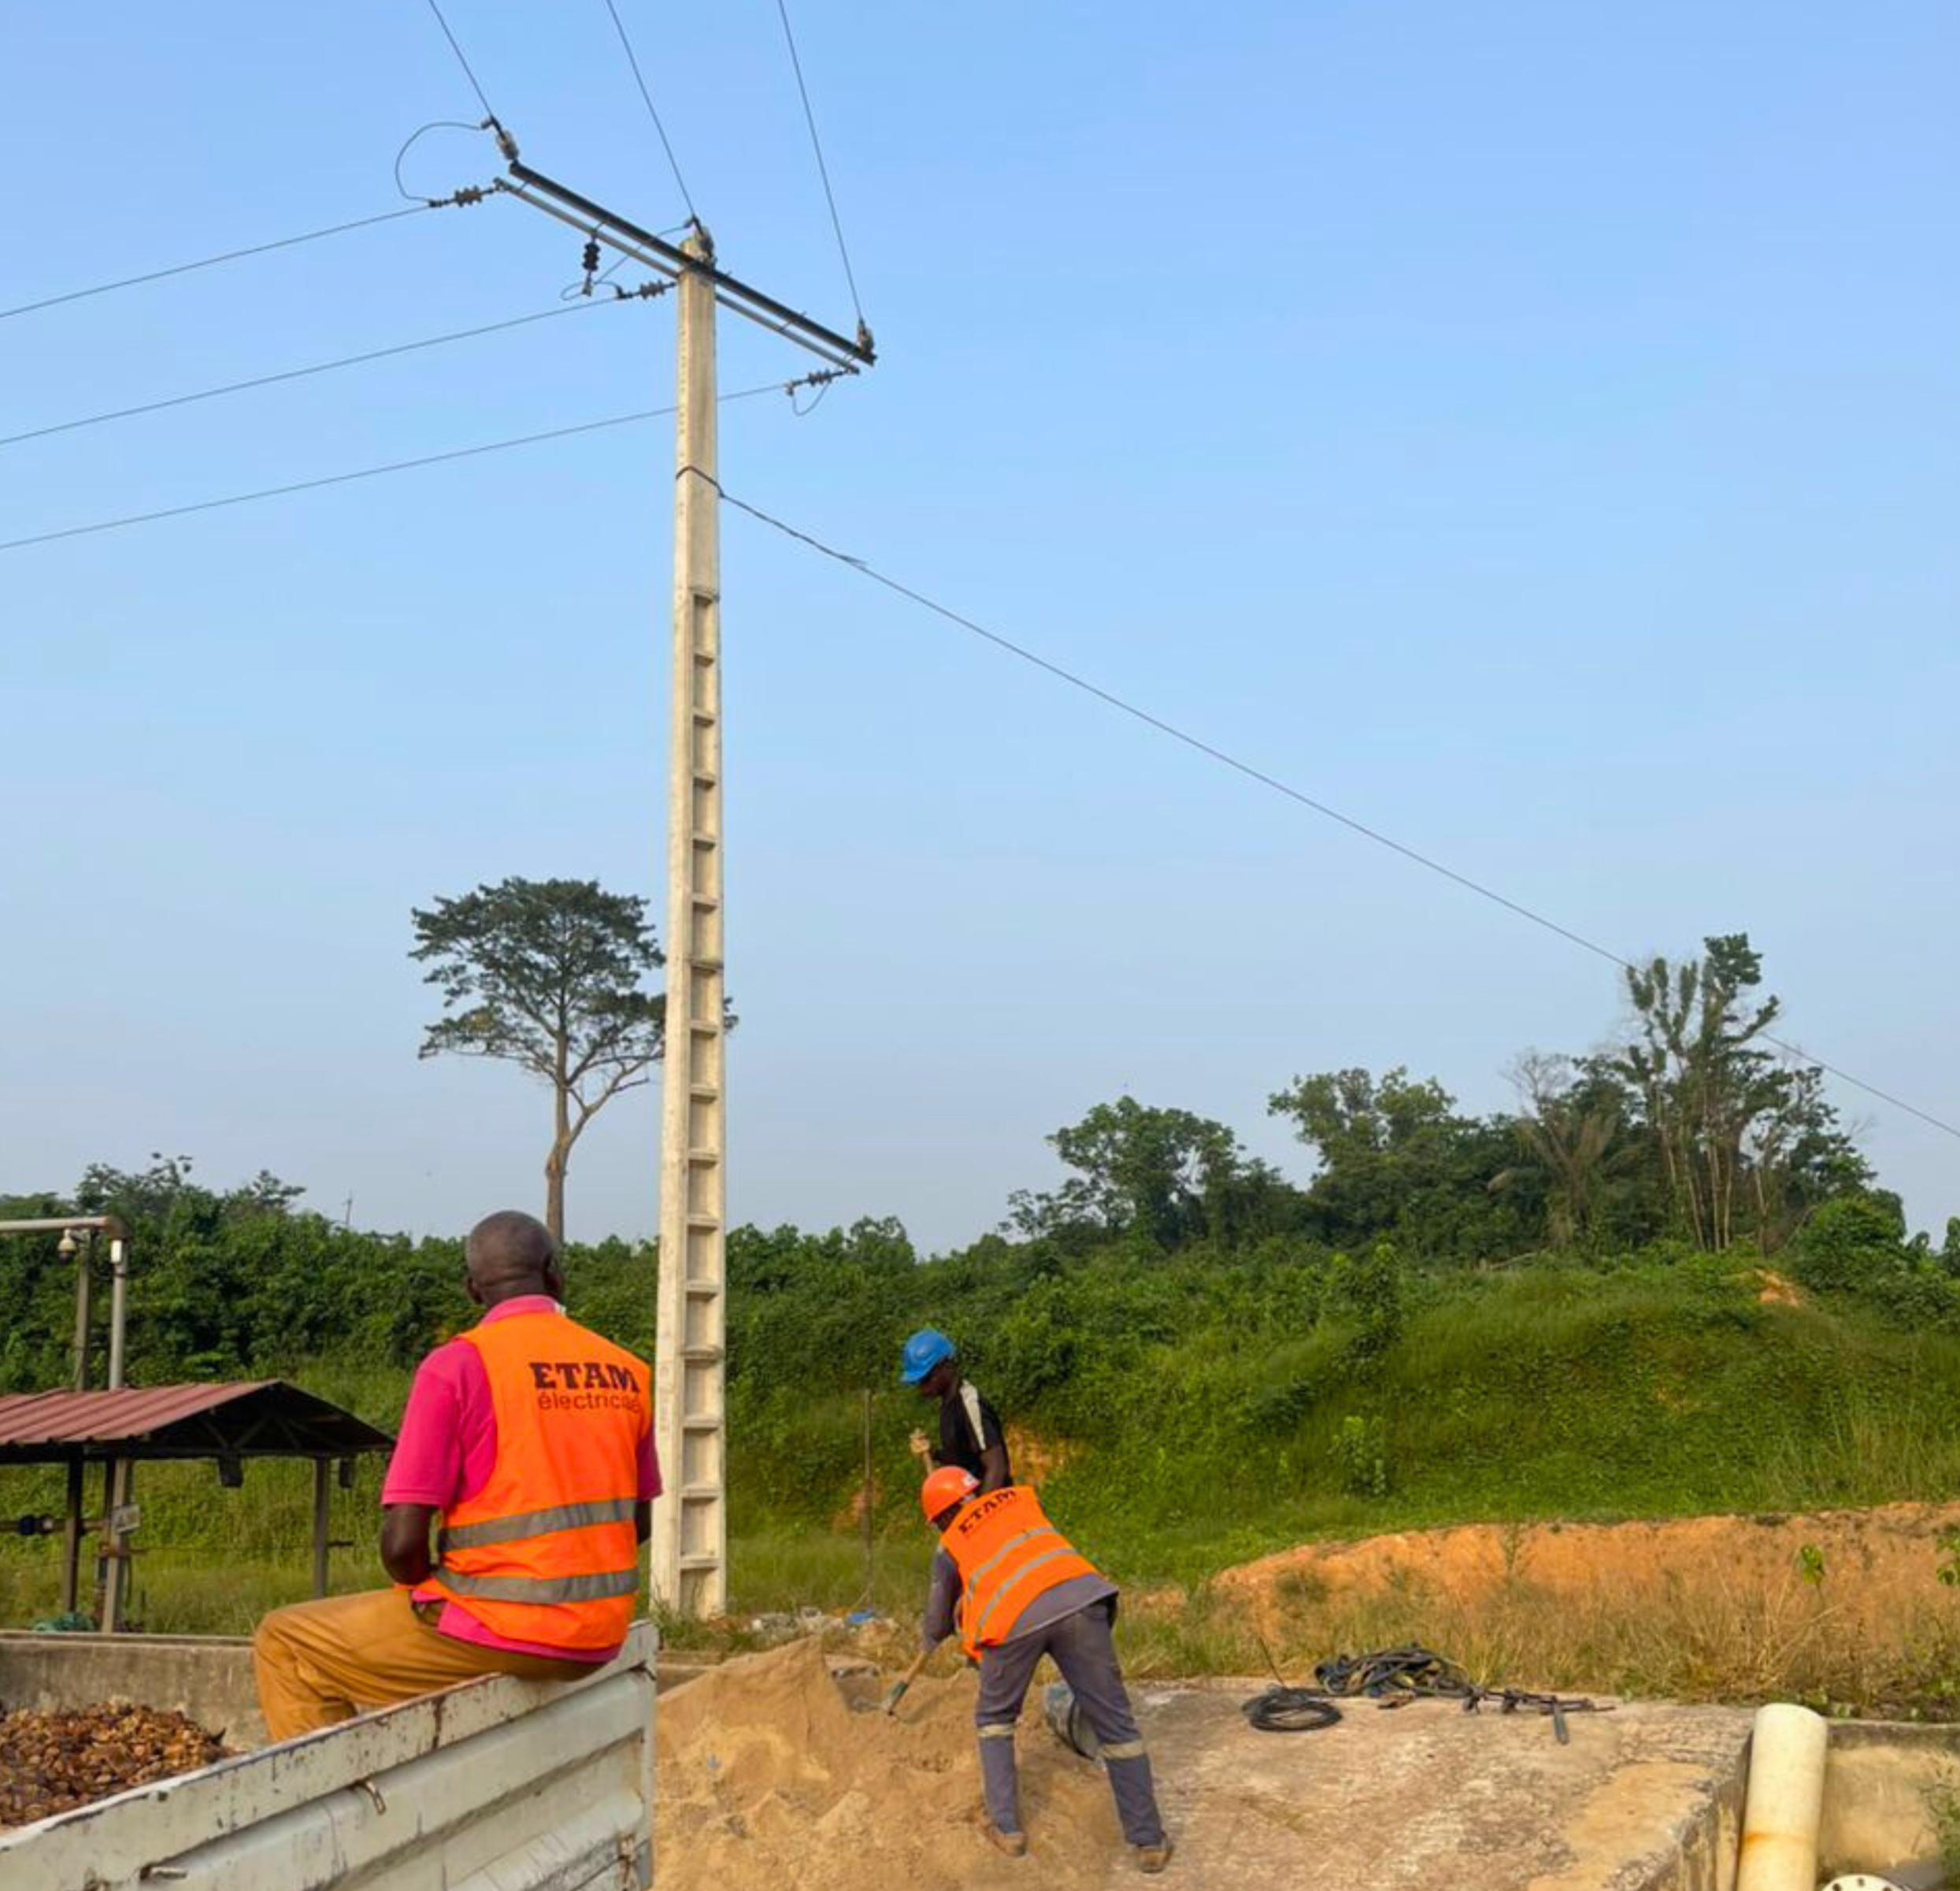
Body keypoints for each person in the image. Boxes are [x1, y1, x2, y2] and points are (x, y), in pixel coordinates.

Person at [252, 1209, 658, 1741]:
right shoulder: (626, 1370)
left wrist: (433, 1589)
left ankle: (336, 1816)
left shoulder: (458, 1366)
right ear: (554, 1274)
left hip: (499, 1628)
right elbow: (639, 1525)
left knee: (285, 1641)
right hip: (598, 1633)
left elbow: (402, 1549)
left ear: (471, 1288)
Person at [915, 1464, 1171, 1873]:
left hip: (1014, 1621)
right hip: (1082, 1603)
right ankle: (1149, 1841)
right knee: (1117, 1727)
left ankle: (1008, 1830)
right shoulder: (1019, 1499)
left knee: (995, 1720)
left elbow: (939, 1618)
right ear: (973, 1492)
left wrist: (930, 1638)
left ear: (941, 1516)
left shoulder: (950, 1543)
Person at [901, 1327, 1011, 1493]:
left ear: (943, 1365)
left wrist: (978, 1515)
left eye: (925, 1379)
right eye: (918, 1383)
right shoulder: (947, 1405)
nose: (922, 1389)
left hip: (996, 1510)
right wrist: (934, 1453)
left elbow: (997, 1467)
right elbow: (964, 1461)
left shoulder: (969, 1402)